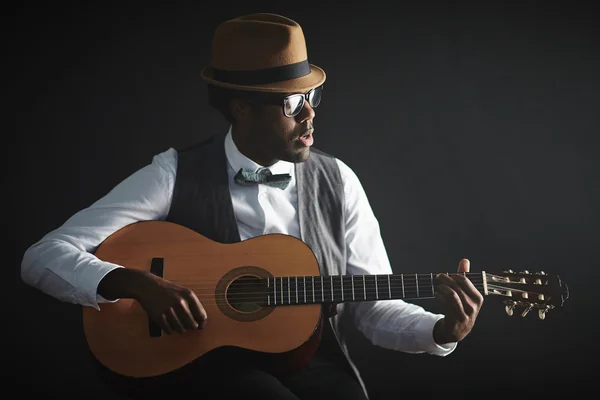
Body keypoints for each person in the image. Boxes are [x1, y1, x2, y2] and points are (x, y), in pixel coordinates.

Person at [20, 12, 484, 400]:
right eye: (292, 103)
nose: (310, 115)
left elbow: (374, 309)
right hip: (202, 364)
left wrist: (442, 331)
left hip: (310, 360)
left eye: (312, 97)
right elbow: (43, 256)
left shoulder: (338, 181)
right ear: (242, 108)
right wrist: (135, 282)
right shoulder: (173, 173)